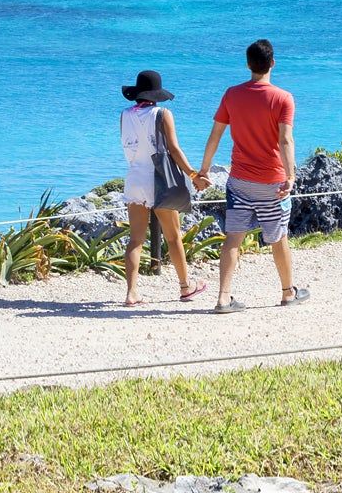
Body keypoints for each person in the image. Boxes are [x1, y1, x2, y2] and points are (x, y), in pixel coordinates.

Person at [192, 40, 311, 314]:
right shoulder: (283, 98)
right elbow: (285, 140)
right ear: (273, 63)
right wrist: (290, 176)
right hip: (272, 183)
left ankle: (223, 298)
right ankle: (287, 292)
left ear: (248, 65)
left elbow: (216, 135)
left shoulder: (232, 94)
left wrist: (204, 170)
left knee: (233, 238)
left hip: (239, 182)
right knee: (278, 237)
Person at [118, 69, 209, 307]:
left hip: (134, 178)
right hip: (158, 179)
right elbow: (174, 150)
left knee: (135, 239)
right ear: (156, 94)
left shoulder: (125, 115)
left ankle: (131, 293)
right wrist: (193, 175)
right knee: (173, 236)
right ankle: (185, 286)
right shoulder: (162, 114)